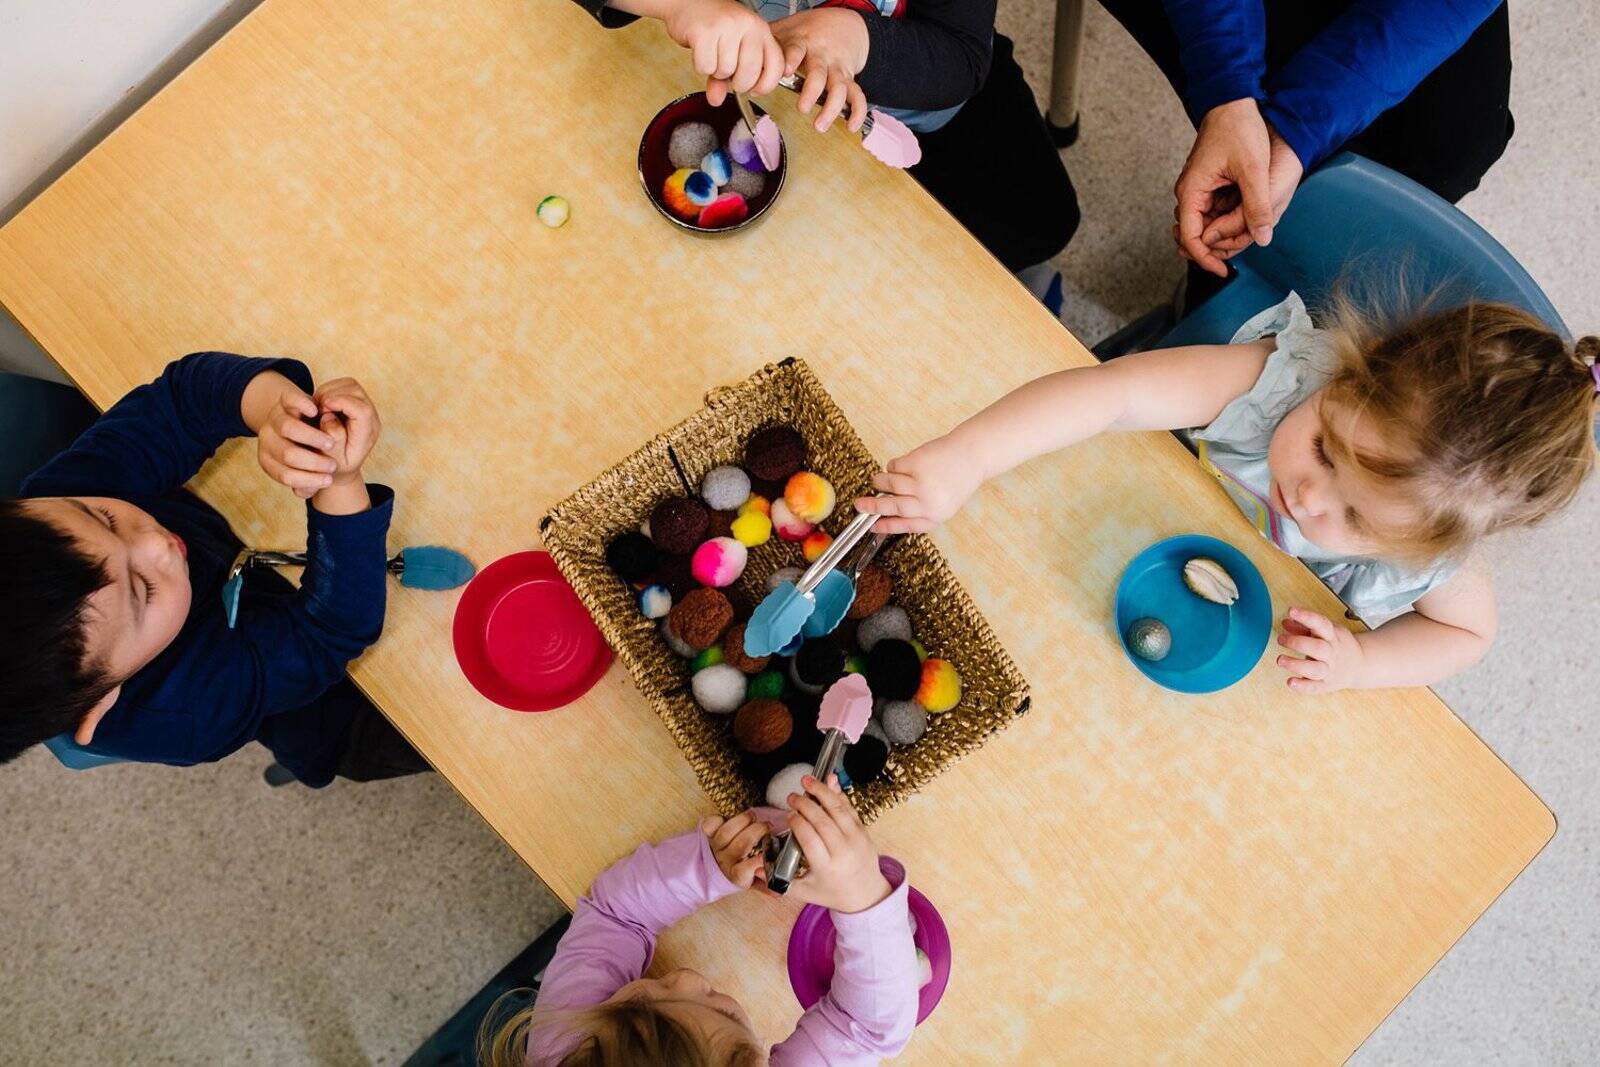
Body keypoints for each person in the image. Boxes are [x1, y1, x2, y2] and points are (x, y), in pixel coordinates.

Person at [855, 293, 1599, 692]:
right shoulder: (1284, 382)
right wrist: (968, 455)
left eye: (1355, 519)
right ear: (1351, 372)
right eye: (1323, 448)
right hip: (1119, 525)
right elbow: (1112, 394)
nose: (1308, 498)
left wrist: (1363, 666)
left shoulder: (1434, 555)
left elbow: (1468, 637)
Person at [0, 352, 427, 783]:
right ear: (102, 702)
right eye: (142, 589)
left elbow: (183, 401)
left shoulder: (59, 503)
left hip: (245, 556)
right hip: (325, 712)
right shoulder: (186, 714)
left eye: (104, 517)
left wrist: (276, 413)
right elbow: (330, 632)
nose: (156, 544)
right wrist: (338, 482)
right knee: (407, 739)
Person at [570, 0, 1078, 271]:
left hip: (944, 116)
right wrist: (684, 6)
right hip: (791, 127)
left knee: (1038, 222)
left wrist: (854, 36)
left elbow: (960, 53)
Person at [482, 773, 919, 1065]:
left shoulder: (572, 1042)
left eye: (638, 1000)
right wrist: (863, 898)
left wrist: (708, 869)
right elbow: (865, 1027)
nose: (689, 978)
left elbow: (616, 916)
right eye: (724, 1014)